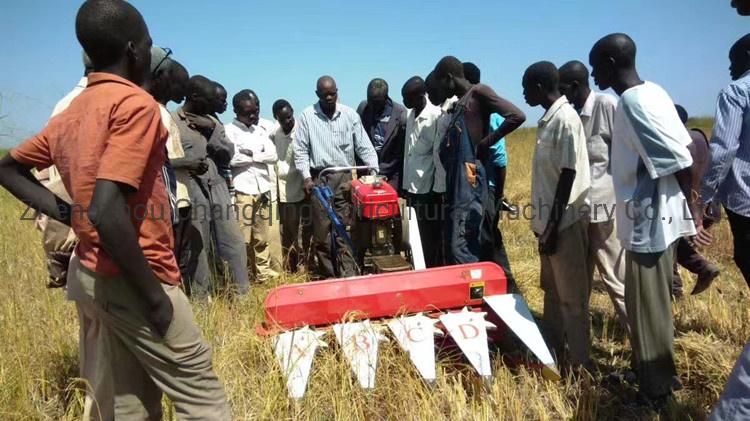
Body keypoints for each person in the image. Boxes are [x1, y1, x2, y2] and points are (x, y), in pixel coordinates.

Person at [0, 1, 231, 419]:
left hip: (93, 275)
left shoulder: (72, 112)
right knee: (204, 401)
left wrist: (72, 216)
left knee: (130, 403)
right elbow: (107, 211)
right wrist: (154, 299)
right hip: (140, 274)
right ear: (134, 50)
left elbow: (8, 167)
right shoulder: (136, 106)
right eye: (146, 42)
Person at [590, 33, 707, 406]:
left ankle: (657, 390)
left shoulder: (633, 103)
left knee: (648, 309)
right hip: (660, 215)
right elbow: (689, 145)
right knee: (650, 304)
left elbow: (680, 157)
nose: (594, 74)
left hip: (649, 220)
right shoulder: (653, 91)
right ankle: (653, 374)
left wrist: (695, 208)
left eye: (596, 66)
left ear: (610, 63)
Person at [433, 56, 525, 289]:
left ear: (449, 78)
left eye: (441, 84)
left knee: (464, 243)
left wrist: (486, 142)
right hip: (458, 183)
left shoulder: (478, 93)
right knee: (457, 242)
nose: (441, 89)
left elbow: (517, 116)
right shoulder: (459, 104)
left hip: (470, 177)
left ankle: (477, 296)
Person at [522, 61, 592, 369]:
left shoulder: (565, 118)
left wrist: (551, 228)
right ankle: (552, 354)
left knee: (572, 301)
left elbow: (567, 176)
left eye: (526, 88)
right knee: (551, 293)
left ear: (539, 87)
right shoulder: (548, 120)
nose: (523, 93)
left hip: (563, 224)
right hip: (547, 224)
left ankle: (579, 367)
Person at [558, 60, 630, 335]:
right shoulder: (572, 115)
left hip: (604, 210)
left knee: (615, 280)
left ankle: (642, 351)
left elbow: (625, 156)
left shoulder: (607, 105)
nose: (562, 96)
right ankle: (577, 341)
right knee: (579, 283)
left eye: (564, 89)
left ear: (576, 86)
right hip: (578, 211)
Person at [293, 75, 379, 279]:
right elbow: (301, 150)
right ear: (318, 95)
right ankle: (329, 276)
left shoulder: (349, 115)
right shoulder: (307, 116)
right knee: (322, 233)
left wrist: (375, 172)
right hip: (319, 179)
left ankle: (348, 273)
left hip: (345, 179)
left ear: (337, 92)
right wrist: (306, 177)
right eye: (325, 95)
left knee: (345, 229)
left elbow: (364, 147)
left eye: (333, 93)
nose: (330, 98)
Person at [172, 75, 249, 297]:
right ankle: (201, 301)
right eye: (209, 100)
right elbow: (162, 160)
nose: (214, 105)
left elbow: (227, 154)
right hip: (191, 189)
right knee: (199, 247)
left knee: (233, 243)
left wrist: (212, 131)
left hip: (218, 188)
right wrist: (186, 164)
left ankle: (241, 297)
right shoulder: (172, 122)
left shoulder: (213, 122)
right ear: (194, 97)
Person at [701, 33, 750, 288]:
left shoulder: (736, 92)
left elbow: (724, 149)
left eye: (734, 60)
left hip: (745, 198)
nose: (730, 68)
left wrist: (706, 195)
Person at [226, 89, 279, 282]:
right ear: (236, 111)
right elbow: (233, 158)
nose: (253, 115)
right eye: (248, 112)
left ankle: (263, 275)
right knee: (242, 239)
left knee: (261, 237)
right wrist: (257, 156)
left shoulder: (260, 131)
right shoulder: (229, 131)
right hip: (243, 191)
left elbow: (273, 156)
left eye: (255, 111)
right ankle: (243, 277)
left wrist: (252, 155)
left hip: (263, 189)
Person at [149, 48, 194, 277]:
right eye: (180, 84)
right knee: (171, 256)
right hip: (169, 200)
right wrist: (190, 162)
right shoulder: (153, 112)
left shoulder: (167, 113)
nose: (183, 92)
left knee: (181, 255)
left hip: (183, 196)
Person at [671, 104, 721, 296]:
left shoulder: (679, 143)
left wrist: (695, 219)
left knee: (669, 244)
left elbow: (689, 180)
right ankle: (701, 269)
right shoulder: (699, 136)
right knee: (674, 243)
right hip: (709, 203)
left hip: (691, 205)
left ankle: (675, 289)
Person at [463, 62, 516, 216]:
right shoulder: (467, 110)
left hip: (487, 186)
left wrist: (498, 196)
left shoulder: (488, 115)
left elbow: (499, 160)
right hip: (473, 184)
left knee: (487, 232)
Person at [401, 76, 443, 267]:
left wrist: (438, 187)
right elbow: (408, 153)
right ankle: (417, 265)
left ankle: (430, 268)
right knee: (413, 231)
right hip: (411, 186)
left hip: (428, 188)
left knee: (428, 235)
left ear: (420, 96)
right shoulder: (410, 115)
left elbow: (438, 155)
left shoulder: (436, 116)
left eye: (407, 98)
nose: (404, 102)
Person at [271, 99, 313, 273]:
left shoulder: (302, 133)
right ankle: (291, 267)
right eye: (283, 119)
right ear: (277, 118)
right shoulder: (275, 134)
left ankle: (305, 266)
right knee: (288, 232)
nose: (287, 121)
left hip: (300, 188)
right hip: (283, 191)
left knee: (304, 232)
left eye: (289, 117)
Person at [357, 79, 407, 190]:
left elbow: (399, 153)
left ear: (385, 98)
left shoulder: (401, 115)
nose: (373, 107)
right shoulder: (363, 109)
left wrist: (380, 170)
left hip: (390, 173)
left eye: (376, 103)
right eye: (370, 101)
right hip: (367, 172)